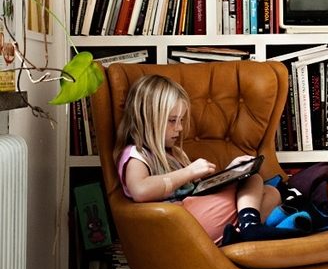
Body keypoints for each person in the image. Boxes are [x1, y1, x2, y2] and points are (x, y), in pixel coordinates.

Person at [113, 74, 281, 246]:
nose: (179, 128)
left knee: (265, 188)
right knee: (256, 192)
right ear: (147, 119)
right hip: (182, 223)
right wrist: (188, 172)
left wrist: (229, 175)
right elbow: (140, 190)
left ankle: (246, 229)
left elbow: (198, 190)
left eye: (181, 120)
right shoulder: (137, 154)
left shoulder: (175, 154)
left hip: (201, 213)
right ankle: (248, 228)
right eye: (172, 121)